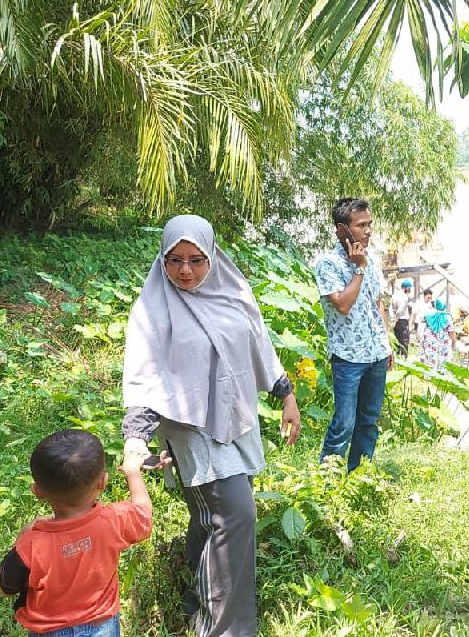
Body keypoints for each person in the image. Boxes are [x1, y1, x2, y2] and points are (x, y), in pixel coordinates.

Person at [120, 215, 300, 637]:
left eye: (196, 260)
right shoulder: (153, 308)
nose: (186, 270)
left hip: (236, 416)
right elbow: (144, 375)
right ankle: (226, 629)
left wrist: (285, 394)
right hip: (189, 425)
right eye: (175, 260)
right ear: (162, 259)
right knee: (235, 514)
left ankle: (193, 602)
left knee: (212, 518)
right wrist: (135, 439)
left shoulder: (232, 292)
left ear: (212, 256)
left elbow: (258, 343)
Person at [0, 429, 160, 636]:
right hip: (103, 627)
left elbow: (5, 588)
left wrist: (22, 536)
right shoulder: (113, 521)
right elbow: (143, 514)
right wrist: (133, 472)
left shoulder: (31, 544)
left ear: (37, 491)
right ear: (103, 482)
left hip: (49, 632)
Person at [315, 198, 393, 471]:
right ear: (341, 229)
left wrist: (387, 342)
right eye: (361, 225)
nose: (368, 231)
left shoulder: (372, 259)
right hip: (348, 357)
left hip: (376, 353)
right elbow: (343, 304)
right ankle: (327, 479)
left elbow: (376, 302)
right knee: (344, 423)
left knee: (369, 421)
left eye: (369, 224)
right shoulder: (328, 264)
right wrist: (358, 268)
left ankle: (359, 475)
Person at [420, 299, 454, 371]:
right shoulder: (447, 317)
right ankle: (442, 375)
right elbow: (451, 332)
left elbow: (421, 326)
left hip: (430, 344)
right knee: (444, 360)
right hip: (443, 344)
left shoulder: (427, 316)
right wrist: (454, 343)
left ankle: (429, 375)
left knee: (429, 359)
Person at [390, 279, 414, 358]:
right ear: (405, 288)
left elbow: (391, 308)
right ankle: (404, 359)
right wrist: (396, 319)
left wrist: (393, 320)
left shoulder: (395, 295)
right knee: (404, 341)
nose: (410, 289)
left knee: (397, 340)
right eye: (409, 288)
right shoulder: (404, 297)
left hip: (396, 321)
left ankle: (397, 357)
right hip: (402, 321)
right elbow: (399, 311)